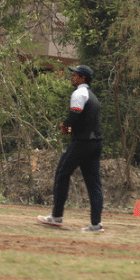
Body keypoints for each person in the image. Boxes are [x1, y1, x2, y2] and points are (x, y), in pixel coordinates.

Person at [38, 65, 105, 232]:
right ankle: (96, 224)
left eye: (74, 75)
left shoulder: (78, 93)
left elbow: (73, 116)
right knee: (94, 183)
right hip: (96, 143)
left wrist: (65, 128)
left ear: (82, 78)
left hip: (82, 143)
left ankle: (56, 217)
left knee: (62, 174)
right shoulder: (93, 97)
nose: (71, 77)